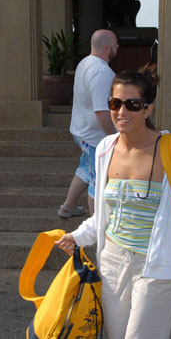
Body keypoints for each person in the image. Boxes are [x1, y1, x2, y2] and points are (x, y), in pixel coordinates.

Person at [55, 67, 171, 339]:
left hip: (157, 265)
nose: (122, 112)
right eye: (115, 103)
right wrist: (78, 235)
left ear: (147, 109)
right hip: (111, 262)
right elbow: (106, 214)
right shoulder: (105, 148)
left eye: (132, 104)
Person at [58, 29, 118, 218]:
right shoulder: (102, 72)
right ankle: (96, 227)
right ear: (107, 48)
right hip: (94, 136)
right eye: (116, 45)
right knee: (97, 179)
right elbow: (101, 110)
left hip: (81, 131)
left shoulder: (85, 63)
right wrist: (113, 137)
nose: (118, 48)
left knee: (85, 168)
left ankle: (68, 206)